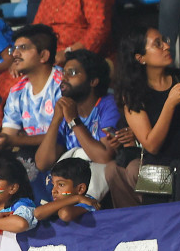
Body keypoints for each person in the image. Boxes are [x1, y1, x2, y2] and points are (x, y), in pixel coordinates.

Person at [107, 27, 180, 208]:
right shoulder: (132, 94)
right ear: (140, 58)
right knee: (162, 224)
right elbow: (151, 144)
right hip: (155, 170)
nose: (167, 46)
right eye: (157, 44)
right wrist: (170, 103)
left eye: (165, 41)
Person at [32, 49, 126, 203]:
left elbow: (104, 157)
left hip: (98, 179)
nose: (65, 78)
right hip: (72, 182)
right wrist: (56, 120)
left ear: (93, 81)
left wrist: (74, 121)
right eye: (64, 73)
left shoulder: (108, 105)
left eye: (73, 73)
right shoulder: (66, 109)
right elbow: (42, 163)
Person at [0, 24, 63, 169]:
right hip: (28, 149)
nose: (14, 54)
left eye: (23, 48)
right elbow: (8, 134)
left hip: (60, 151)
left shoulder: (62, 84)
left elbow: (62, 137)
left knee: (26, 160)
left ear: (43, 55)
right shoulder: (18, 90)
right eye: (14, 49)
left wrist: (13, 141)